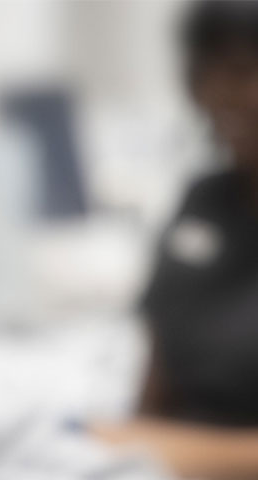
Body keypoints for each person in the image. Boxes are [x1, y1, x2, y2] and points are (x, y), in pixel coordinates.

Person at [92, 2, 258, 478]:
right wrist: (120, 453)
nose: (221, 94)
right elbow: (157, 379)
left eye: (244, 72)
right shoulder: (206, 200)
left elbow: (152, 436)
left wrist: (156, 447)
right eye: (206, 73)